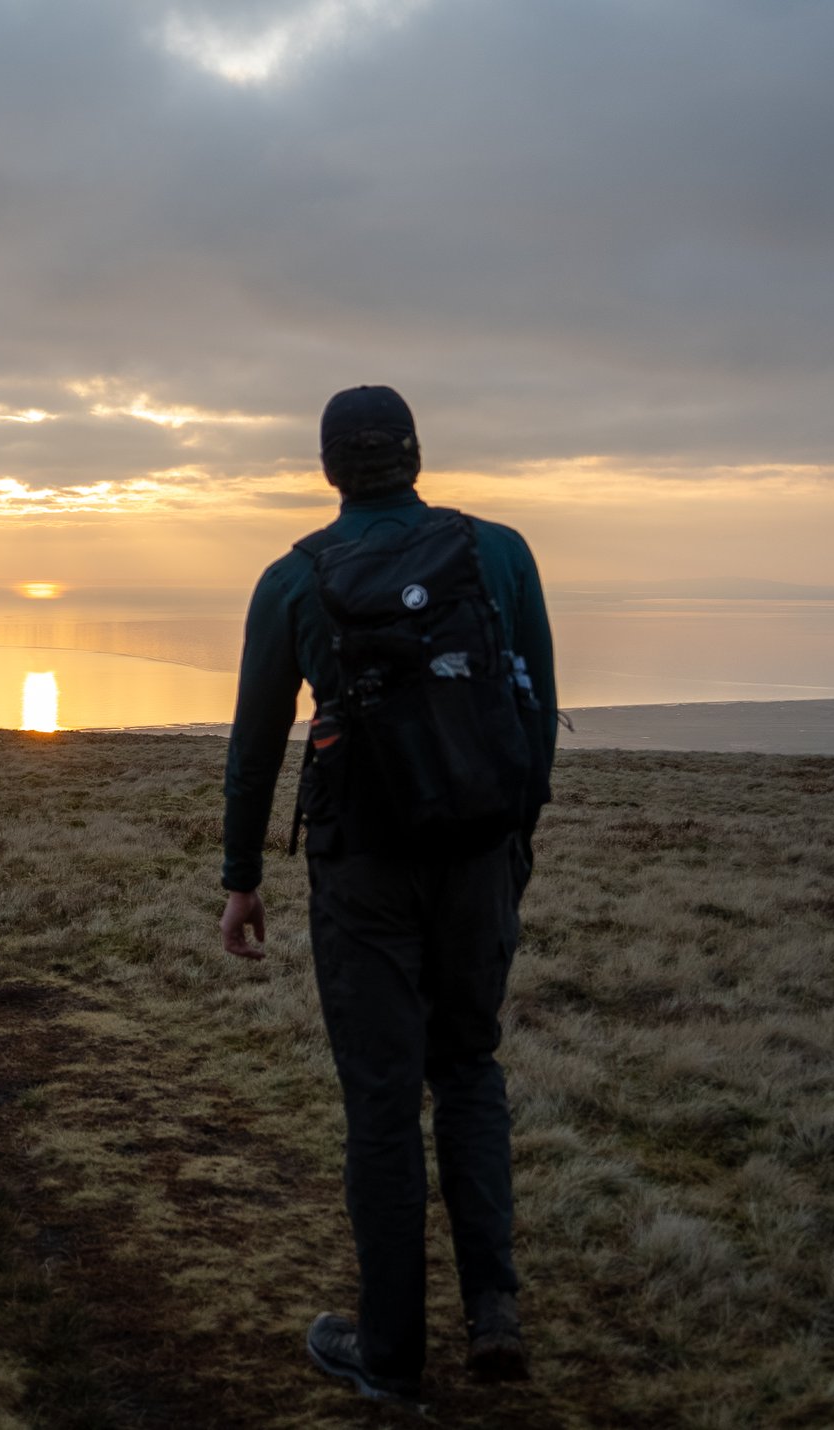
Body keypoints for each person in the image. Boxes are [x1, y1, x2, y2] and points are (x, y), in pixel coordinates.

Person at [217, 384, 558, 1405]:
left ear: (330, 469)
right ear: (415, 455)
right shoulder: (500, 553)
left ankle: (391, 1353)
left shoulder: (294, 578)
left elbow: (254, 745)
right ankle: (493, 1312)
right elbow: (534, 711)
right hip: (477, 853)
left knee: (381, 1098)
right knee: (468, 1066)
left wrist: (241, 878)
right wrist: (512, 843)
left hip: (361, 863)